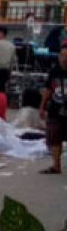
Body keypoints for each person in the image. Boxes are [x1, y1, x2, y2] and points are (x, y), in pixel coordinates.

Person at [41, 42, 67, 174]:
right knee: (54, 138)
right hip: (56, 109)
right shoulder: (54, 71)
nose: (65, 58)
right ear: (58, 57)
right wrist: (42, 107)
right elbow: (47, 90)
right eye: (63, 55)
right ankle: (56, 165)